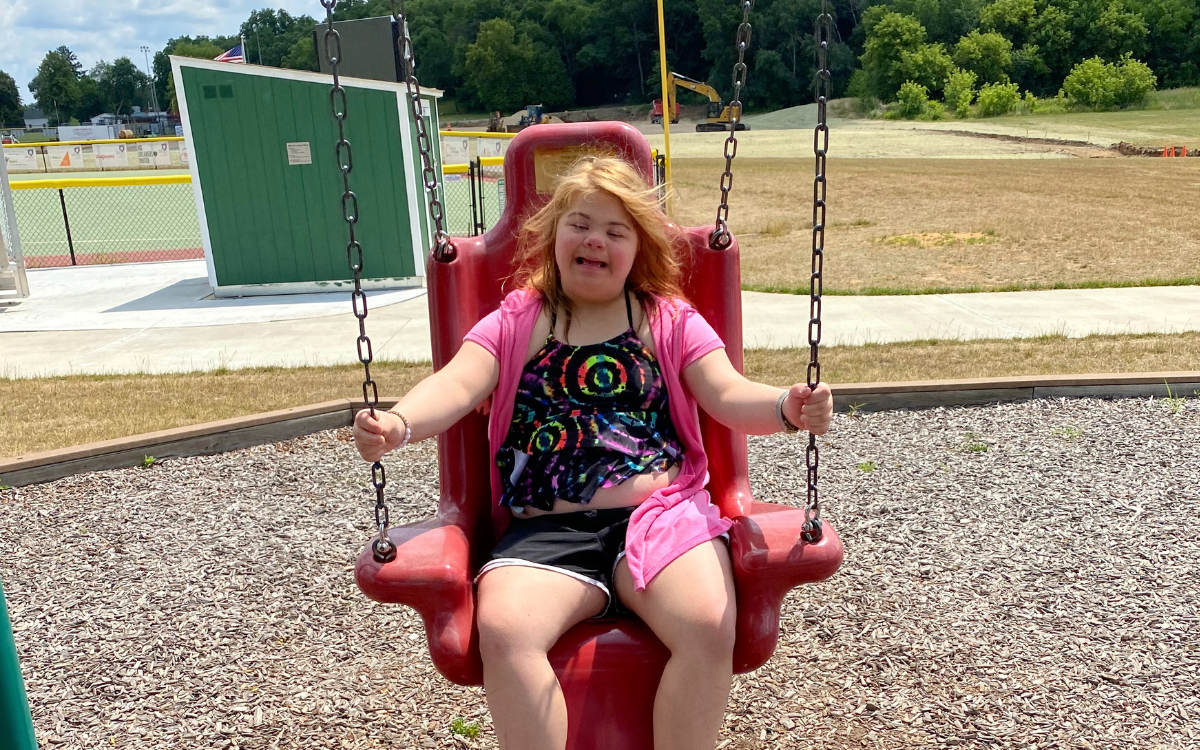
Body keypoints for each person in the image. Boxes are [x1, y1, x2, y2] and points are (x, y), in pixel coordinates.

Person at [353, 156, 833, 750]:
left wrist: (787, 406)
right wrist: (400, 422)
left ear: (639, 248)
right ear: (554, 235)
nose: (595, 242)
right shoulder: (520, 321)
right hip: (543, 533)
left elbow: (727, 393)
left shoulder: (667, 320)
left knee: (708, 622)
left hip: (660, 524)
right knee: (504, 630)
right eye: (580, 224)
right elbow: (456, 383)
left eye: (615, 231)